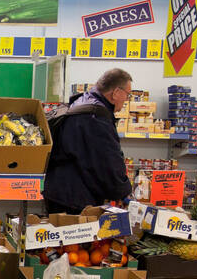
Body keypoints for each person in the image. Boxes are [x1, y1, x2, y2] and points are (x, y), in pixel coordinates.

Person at [44, 68, 133, 214]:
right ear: (116, 92)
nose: (126, 100)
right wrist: (123, 192)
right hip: (75, 199)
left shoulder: (82, 102)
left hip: (58, 191)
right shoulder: (96, 117)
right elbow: (108, 162)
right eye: (127, 95)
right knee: (74, 235)